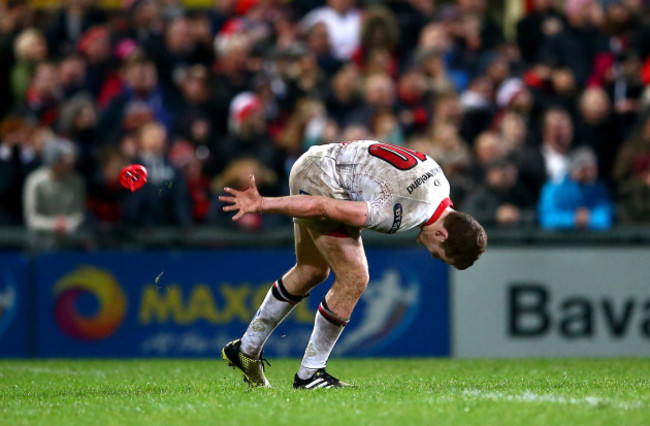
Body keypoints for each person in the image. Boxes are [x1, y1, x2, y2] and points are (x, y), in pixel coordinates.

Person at [219, 140, 487, 389]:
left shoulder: (441, 184)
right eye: (440, 254)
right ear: (443, 234)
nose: (432, 256)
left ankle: (246, 349)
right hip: (322, 175)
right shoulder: (403, 212)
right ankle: (310, 374)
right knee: (354, 277)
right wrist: (263, 204)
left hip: (322, 160)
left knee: (311, 270)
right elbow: (323, 208)